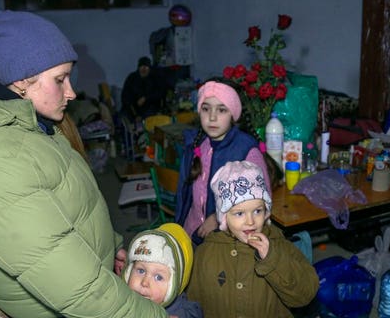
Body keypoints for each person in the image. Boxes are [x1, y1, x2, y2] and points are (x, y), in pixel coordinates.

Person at [0, 10, 168, 317]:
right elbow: (75, 288)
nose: (72, 92)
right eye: (60, 79)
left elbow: (69, 201)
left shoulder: (31, 124)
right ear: (22, 80)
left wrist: (110, 244)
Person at [186, 161, 319, 317]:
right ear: (224, 217)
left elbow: (304, 295)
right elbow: (193, 302)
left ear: (266, 211)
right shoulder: (205, 253)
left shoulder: (279, 245)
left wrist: (273, 260)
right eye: (239, 213)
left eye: (257, 211)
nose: (250, 221)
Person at [174, 79, 277, 245]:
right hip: (191, 232)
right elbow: (184, 197)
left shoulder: (246, 151)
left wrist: (218, 217)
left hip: (227, 241)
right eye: (206, 109)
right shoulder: (197, 144)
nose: (212, 117)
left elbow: (262, 203)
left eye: (221, 110)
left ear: (233, 115)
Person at [123, 223, 203, 318]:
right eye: (141, 271)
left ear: (174, 284)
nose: (144, 282)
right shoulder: (121, 300)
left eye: (158, 277)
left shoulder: (181, 313)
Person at [121, 56, 165, 120]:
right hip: (133, 108)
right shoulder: (132, 78)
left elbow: (160, 93)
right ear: (138, 68)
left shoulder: (155, 78)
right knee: (122, 117)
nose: (144, 69)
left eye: (146, 67)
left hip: (150, 108)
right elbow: (125, 97)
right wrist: (135, 114)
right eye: (142, 67)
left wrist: (146, 98)